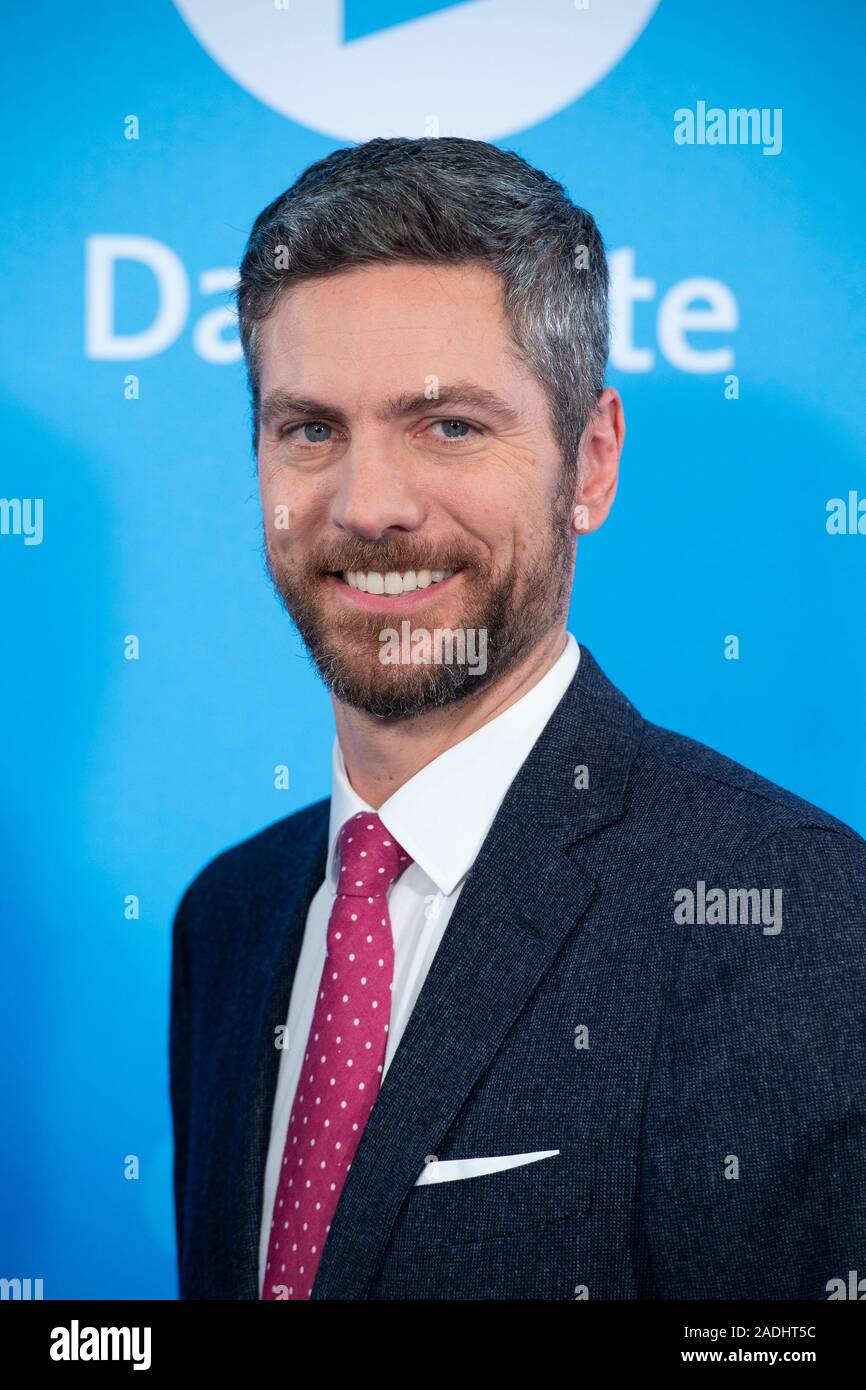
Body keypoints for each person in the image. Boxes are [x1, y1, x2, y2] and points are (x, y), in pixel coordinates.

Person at [169, 136, 866, 1301]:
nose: (370, 505)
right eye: (311, 429)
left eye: (447, 426)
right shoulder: (227, 917)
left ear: (587, 463)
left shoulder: (778, 909)